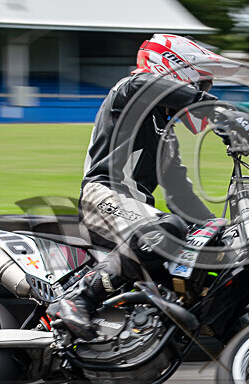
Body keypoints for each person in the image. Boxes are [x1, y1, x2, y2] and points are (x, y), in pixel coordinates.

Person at [47, 34, 237, 340]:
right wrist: (211, 108)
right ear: (176, 73)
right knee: (168, 228)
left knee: (203, 248)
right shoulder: (128, 93)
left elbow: (181, 196)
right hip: (102, 198)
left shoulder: (167, 134)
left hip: (138, 215)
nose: (206, 91)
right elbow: (141, 86)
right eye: (201, 84)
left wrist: (221, 228)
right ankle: (78, 297)